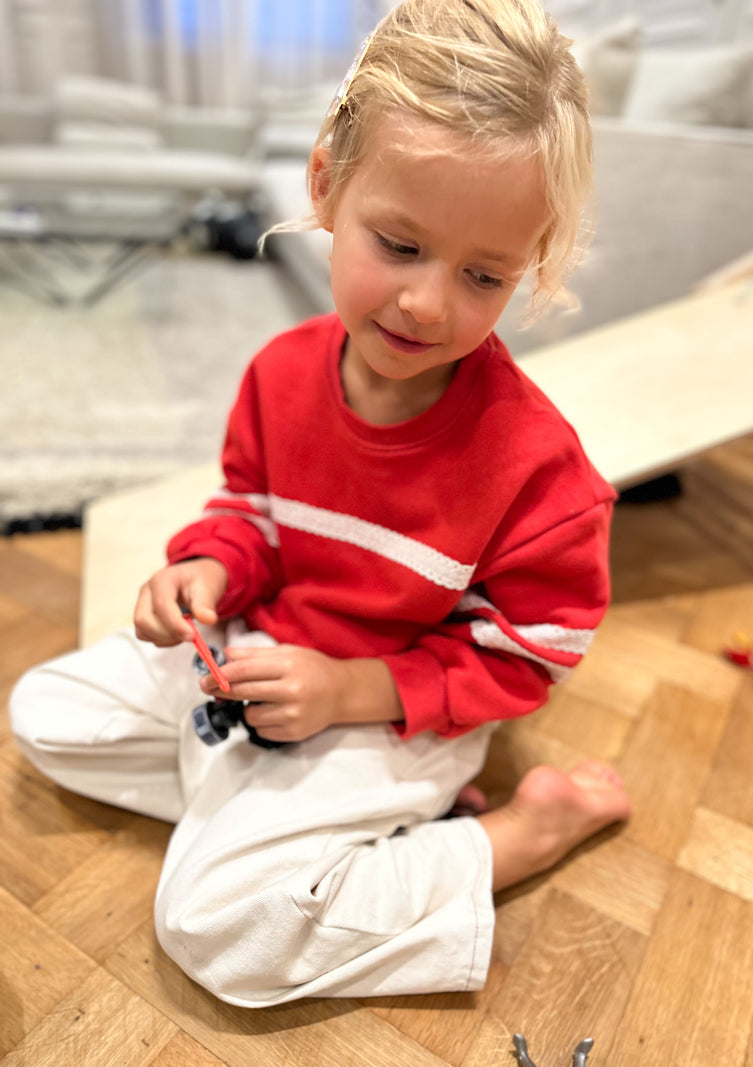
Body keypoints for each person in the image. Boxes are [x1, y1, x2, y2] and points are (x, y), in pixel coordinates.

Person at [10, 0, 631, 1007]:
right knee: (46, 713)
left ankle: (506, 832)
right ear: (325, 186)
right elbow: (247, 508)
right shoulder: (280, 370)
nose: (428, 303)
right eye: (398, 244)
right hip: (260, 652)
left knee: (214, 930)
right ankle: (305, 825)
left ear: (530, 263)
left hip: (394, 708)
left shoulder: (538, 475)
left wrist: (349, 692)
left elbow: (525, 656)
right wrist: (205, 568)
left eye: (482, 275)